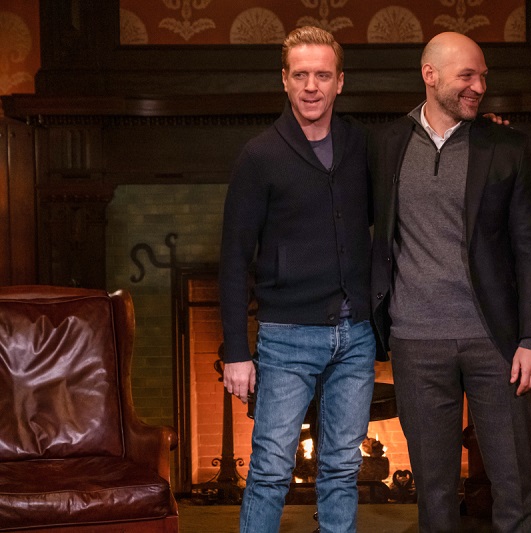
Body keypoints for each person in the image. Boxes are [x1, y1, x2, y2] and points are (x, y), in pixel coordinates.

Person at [370, 31, 531, 532]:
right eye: (467, 76)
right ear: (429, 75)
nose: (479, 87)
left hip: (497, 344)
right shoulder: (385, 145)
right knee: (434, 496)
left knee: (514, 490)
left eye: (483, 77)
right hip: (415, 343)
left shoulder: (507, 147)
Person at [219, 26, 376, 533]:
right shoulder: (260, 155)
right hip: (286, 336)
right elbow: (233, 258)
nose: (312, 86)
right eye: (301, 75)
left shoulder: (360, 145)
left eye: (323, 75)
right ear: (284, 80)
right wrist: (237, 351)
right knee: (269, 471)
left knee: (342, 468)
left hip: (356, 336)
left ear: (340, 82)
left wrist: (478, 133)